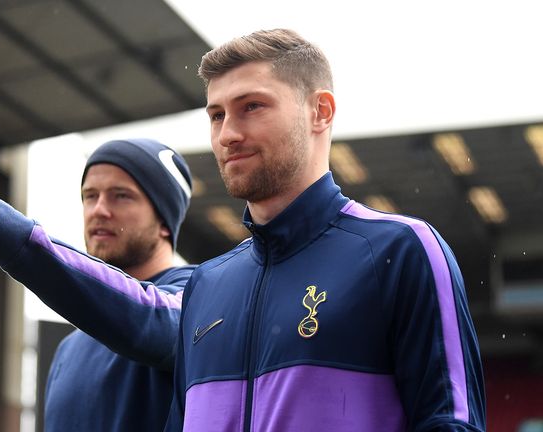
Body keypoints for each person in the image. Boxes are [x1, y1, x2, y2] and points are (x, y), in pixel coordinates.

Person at [164, 29, 486, 431]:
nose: (228, 133)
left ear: (321, 111)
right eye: (217, 115)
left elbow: (450, 422)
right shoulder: (205, 284)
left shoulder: (403, 250)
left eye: (252, 106)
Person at [0, 138, 193, 432]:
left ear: (165, 219)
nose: (99, 210)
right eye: (90, 196)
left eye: (121, 196)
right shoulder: (69, 350)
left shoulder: (200, 298)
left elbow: (151, 319)